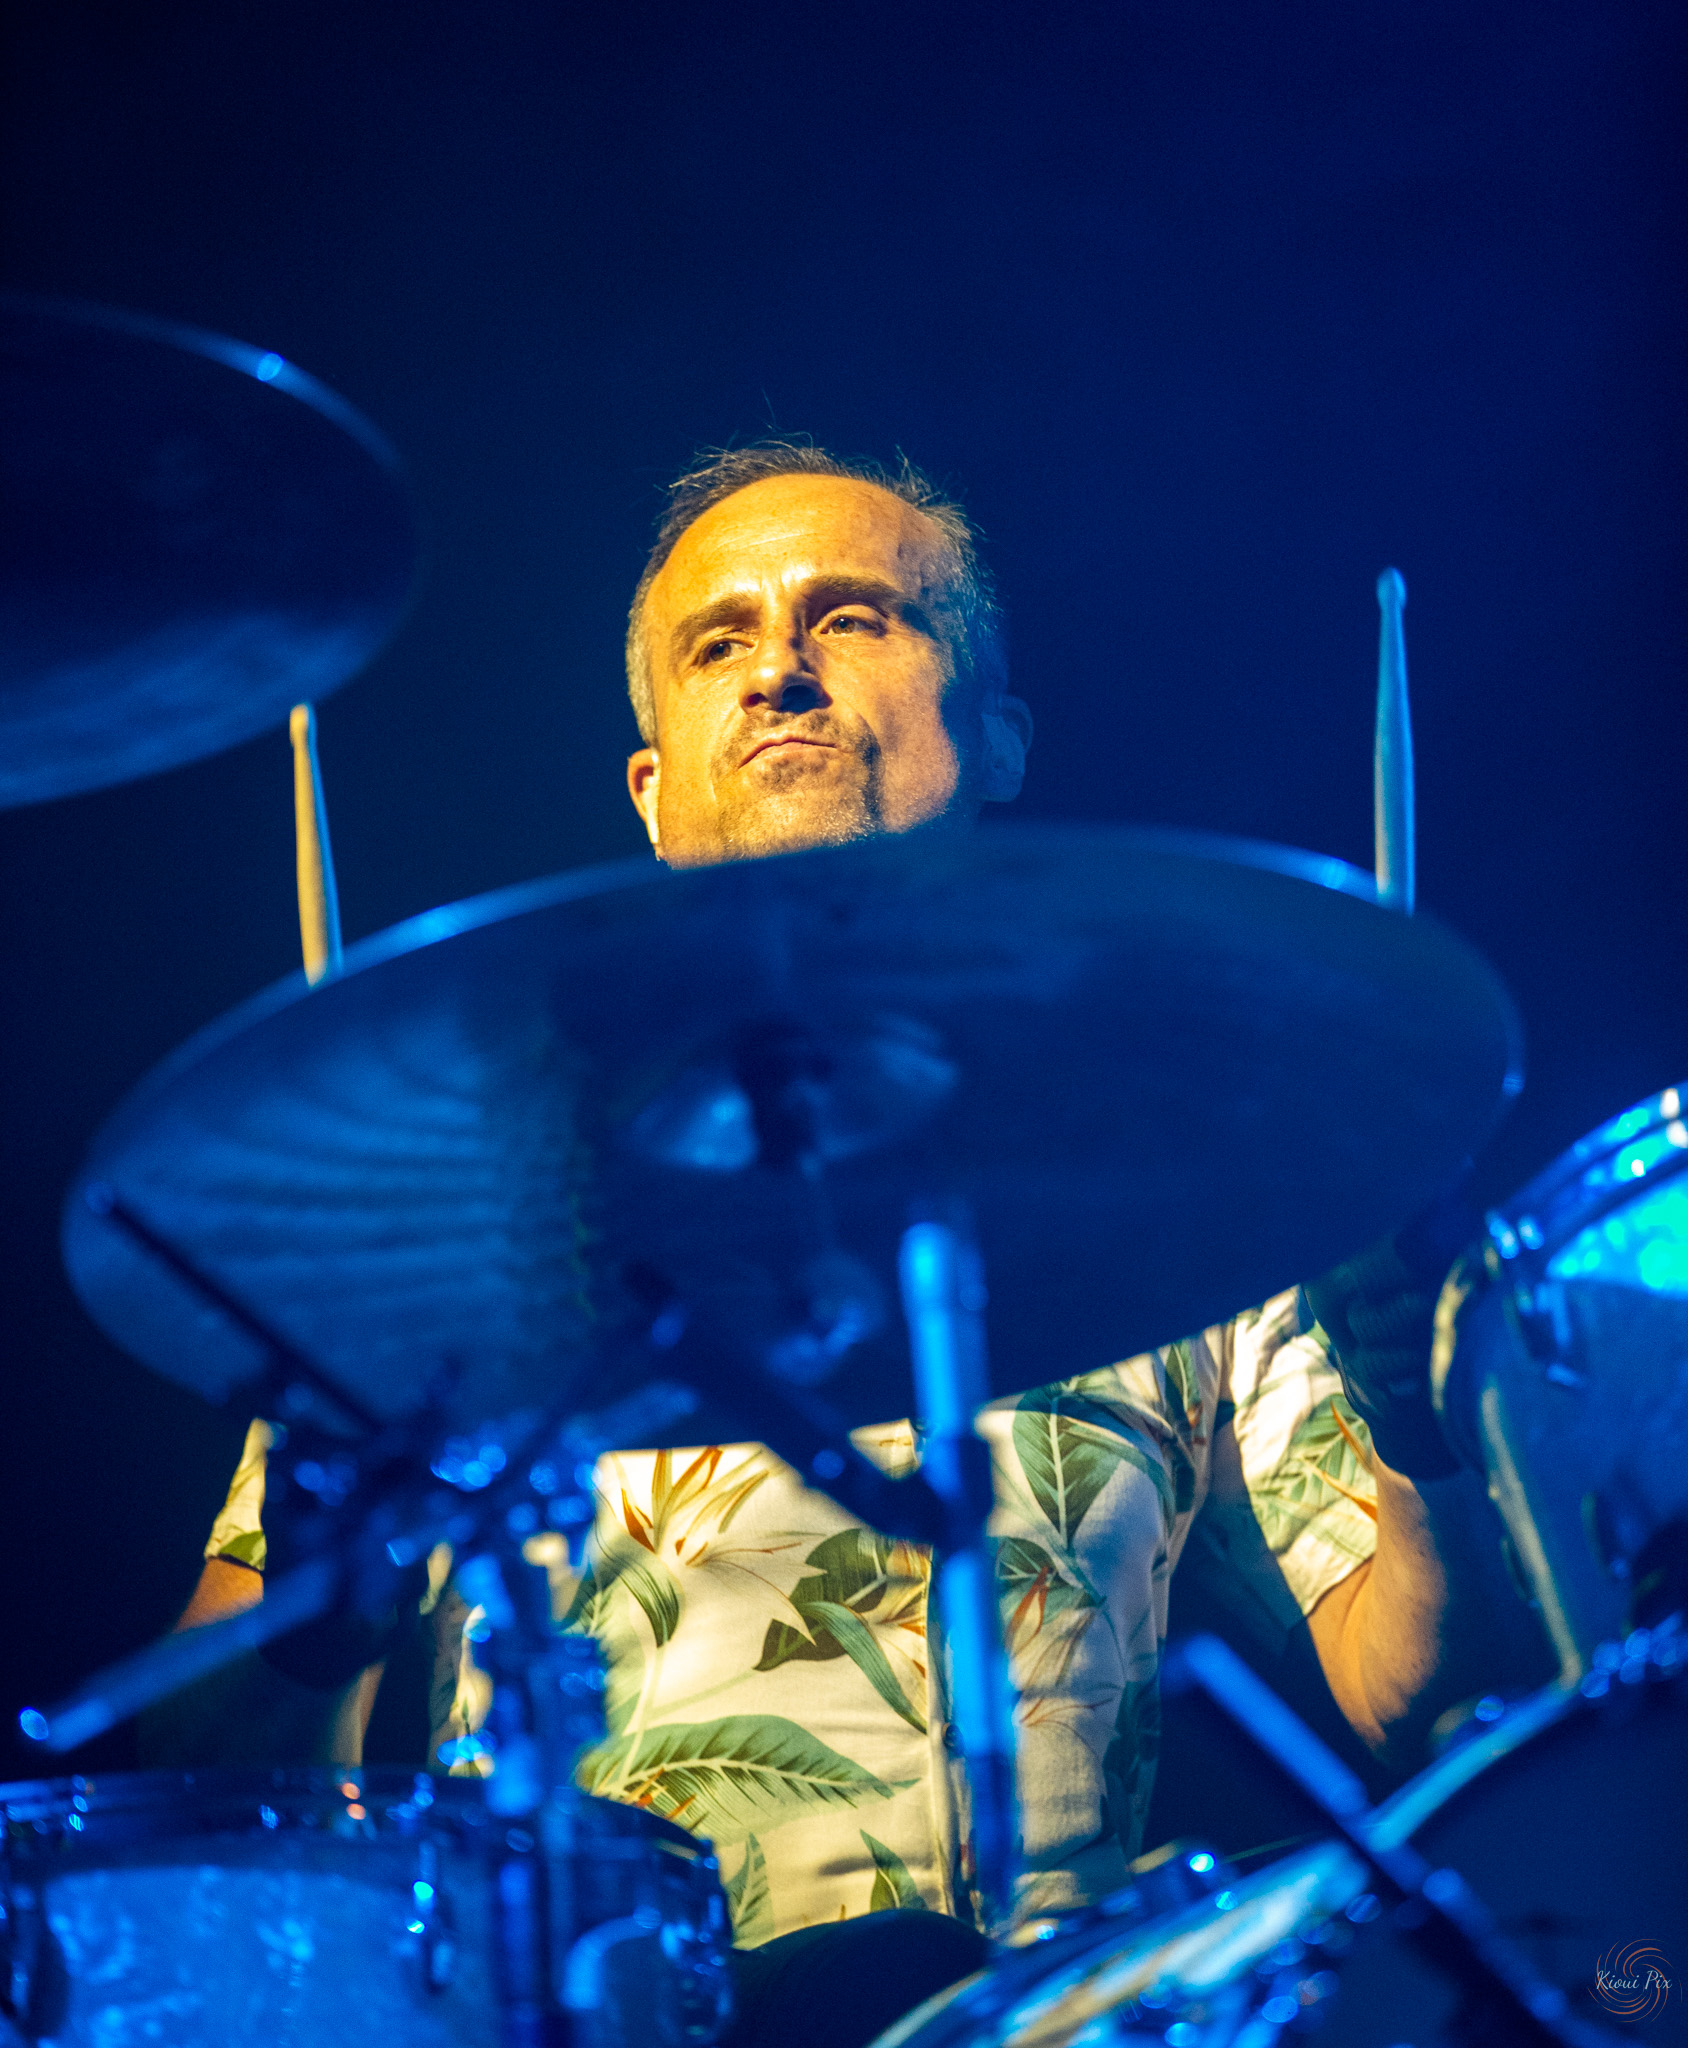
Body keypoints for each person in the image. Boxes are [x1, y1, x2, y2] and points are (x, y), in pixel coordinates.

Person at [148, 442, 1541, 2044]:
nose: (780, 671)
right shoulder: (453, 1232)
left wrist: (1424, 1432)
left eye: (853, 617)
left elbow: (1429, 1707)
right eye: (718, 642)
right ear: (652, 790)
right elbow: (189, 1843)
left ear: (999, 734)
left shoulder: (1185, 1192)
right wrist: (319, 1621)